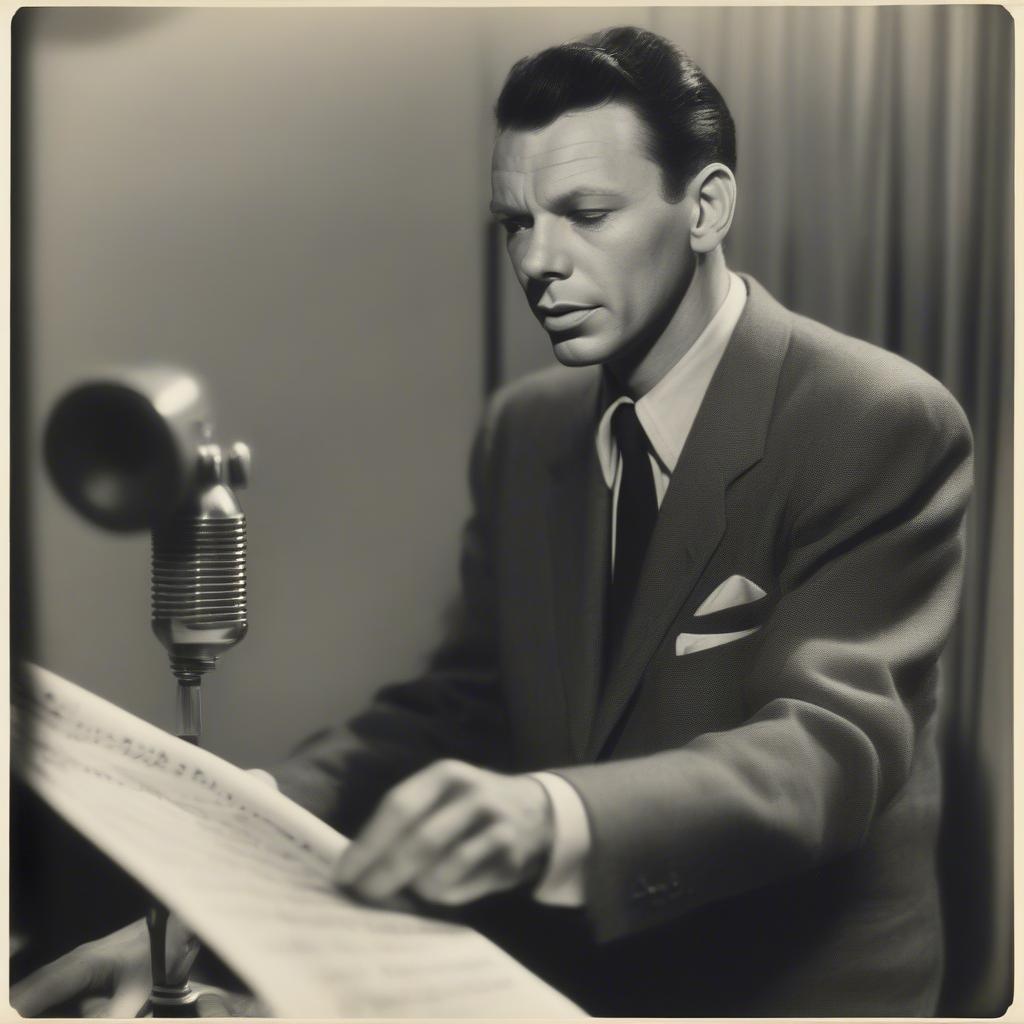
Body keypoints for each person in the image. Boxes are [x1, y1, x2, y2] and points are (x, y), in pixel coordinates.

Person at [12, 25, 973, 1018]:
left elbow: (825, 752)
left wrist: (547, 812)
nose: (539, 261)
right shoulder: (527, 430)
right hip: (565, 982)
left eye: (585, 214)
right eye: (514, 222)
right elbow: (463, 705)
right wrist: (234, 842)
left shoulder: (878, 418)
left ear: (706, 207)